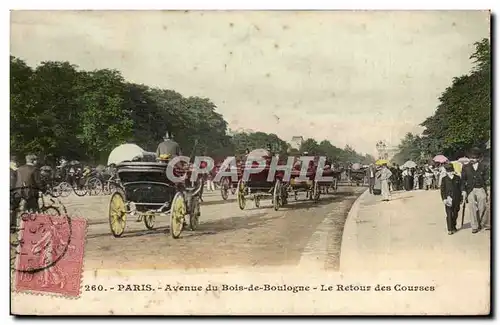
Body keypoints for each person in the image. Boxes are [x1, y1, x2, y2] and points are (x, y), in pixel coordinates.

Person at [461, 147, 489, 233]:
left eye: (474, 157)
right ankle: (474, 226)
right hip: (470, 189)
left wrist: (487, 189)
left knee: (483, 204)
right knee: (472, 205)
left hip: (480, 187)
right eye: (471, 157)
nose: (472, 159)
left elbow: (486, 178)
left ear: (478, 158)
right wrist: (463, 190)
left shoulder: (484, 166)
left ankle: (481, 222)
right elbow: (463, 180)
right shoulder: (465, 167)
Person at [11, 154, 42, 232]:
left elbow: (15, 180)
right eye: (36, 160)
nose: (37, 161)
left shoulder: (19, 169)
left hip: (17, 192)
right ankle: (34, 227)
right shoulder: (35, 169)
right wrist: (44, 189)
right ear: (33, 161)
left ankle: (16, 226)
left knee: (18, 210)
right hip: (29, 193)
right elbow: (38, 182)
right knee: (34, 209)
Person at [440, 164, 462, 235]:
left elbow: (460, 188)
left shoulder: (457, 178)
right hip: (448, 199)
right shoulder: (444, 179)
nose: (450, 172)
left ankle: (453, 226)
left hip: (457, 198)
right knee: (449, 214)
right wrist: (444, 199)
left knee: (455, 213)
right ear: (446, 172)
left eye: (451, 171)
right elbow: (442, 190)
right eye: (449, 171)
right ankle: (449, 229)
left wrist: (461, 198)